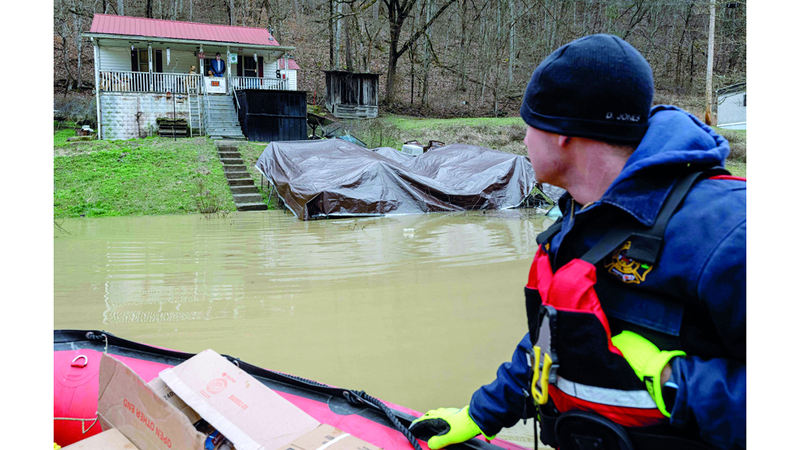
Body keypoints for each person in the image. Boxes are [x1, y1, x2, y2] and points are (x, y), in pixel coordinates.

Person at [409, 34, 745, 450]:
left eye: (528, 125)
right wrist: (480, 414)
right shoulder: (577, 216)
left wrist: (675, 385)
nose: (525, 140)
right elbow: (556, 340)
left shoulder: (731, 227)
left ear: (562, 132)